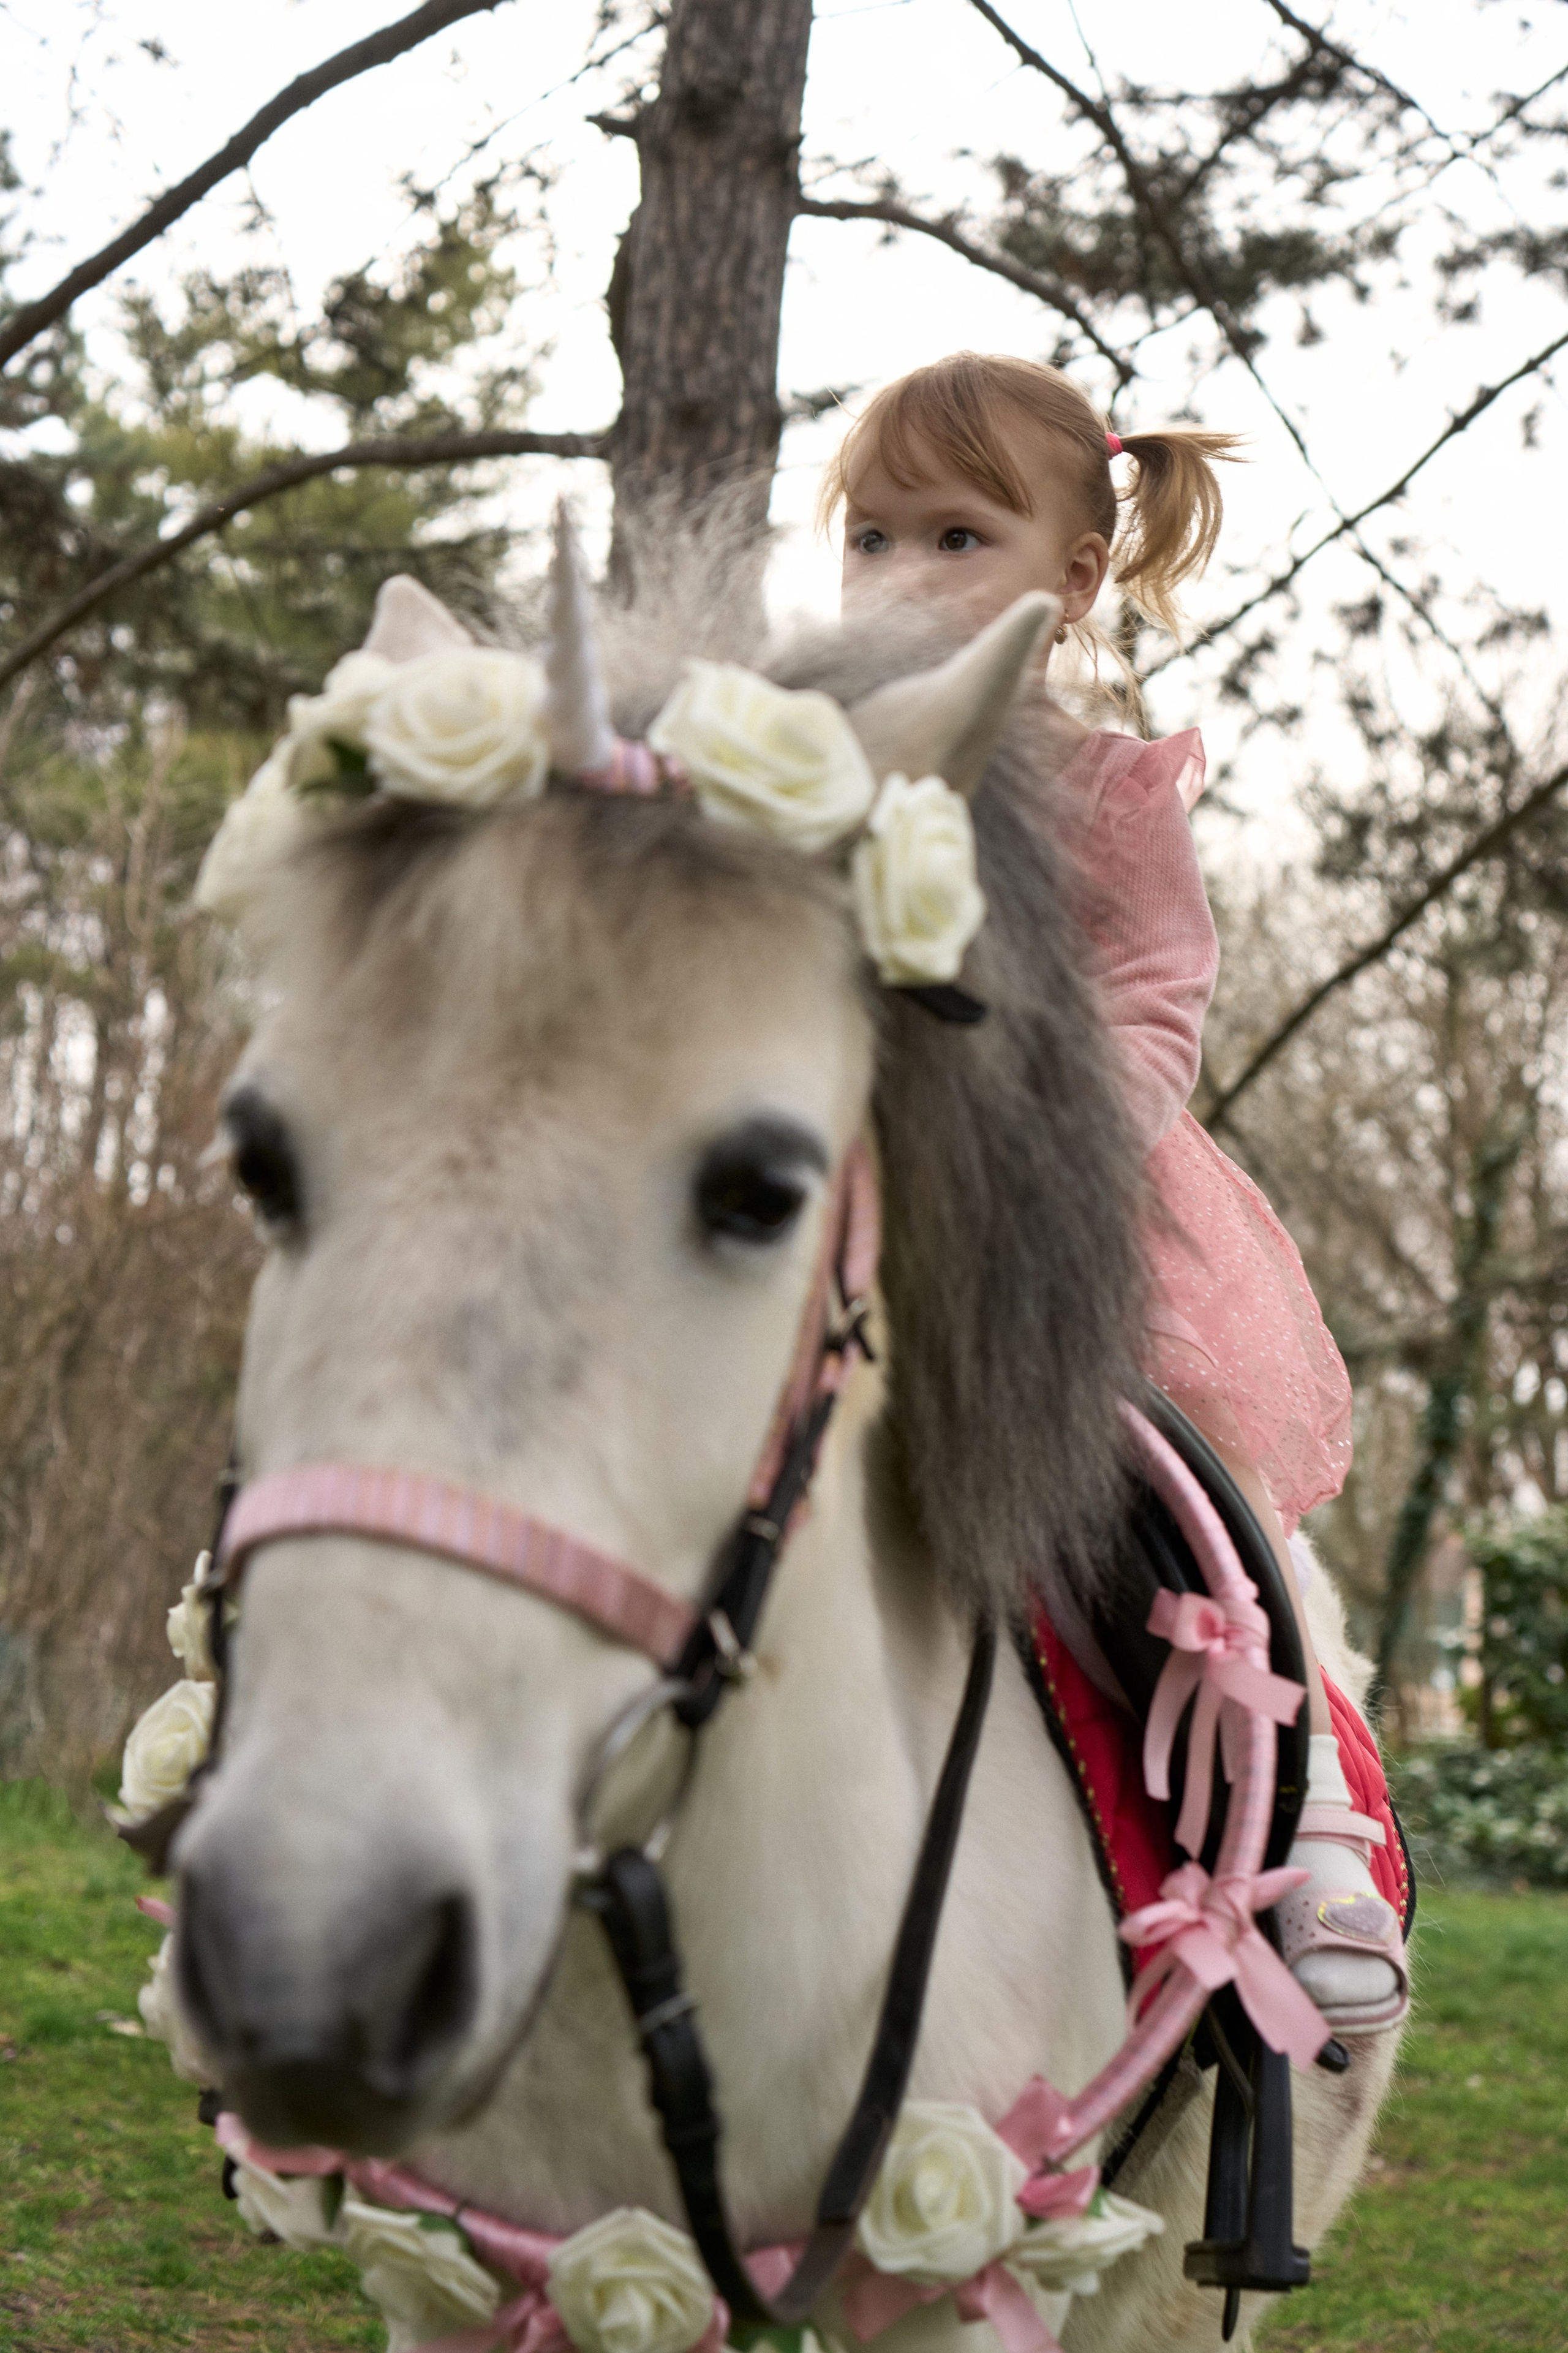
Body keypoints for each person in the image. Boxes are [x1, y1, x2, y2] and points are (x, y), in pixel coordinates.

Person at [820, 351, 1407, 2035]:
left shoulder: (1103, 790)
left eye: (956, 539)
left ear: (1075, 578)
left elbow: (1155, 992)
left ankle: (1316, 1830)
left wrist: (1054, 1132)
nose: (900, 580)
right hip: (843, 1208)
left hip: (1064, 1221)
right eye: (871, 540)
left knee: (1209, 1507)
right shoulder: (811, 766)